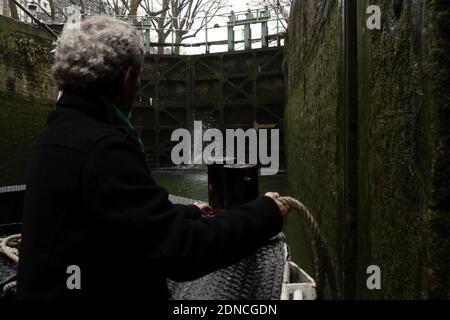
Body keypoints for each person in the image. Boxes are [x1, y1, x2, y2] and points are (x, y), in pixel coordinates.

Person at [16, 16, 288, 299]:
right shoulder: (102, 147)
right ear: (127, 78)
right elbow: (181, 251)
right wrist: (265, 212)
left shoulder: (58, 132)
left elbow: (118, 217)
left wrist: (190, 212)